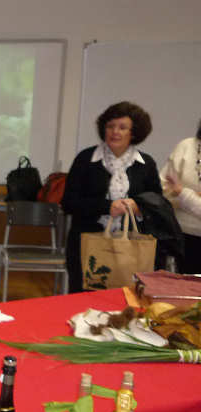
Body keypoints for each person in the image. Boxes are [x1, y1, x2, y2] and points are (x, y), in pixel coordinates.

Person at [63, 101, 162, 292]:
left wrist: (137, 206)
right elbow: (69, 202)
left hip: (131, 248)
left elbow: (157, 204)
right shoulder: (86, 159)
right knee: (82, 299)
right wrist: (107, 207)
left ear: (134, 133)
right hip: (87, 245)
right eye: (110, 126)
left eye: (122, 127)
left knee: (127, 300)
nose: (115, 132)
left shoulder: (146, 164)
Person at [160, 118, 201, 273]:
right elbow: (164, 189)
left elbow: (177, 191)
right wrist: (184, 195)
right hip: (183, 238)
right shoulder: (186, 147)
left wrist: (183, 193)